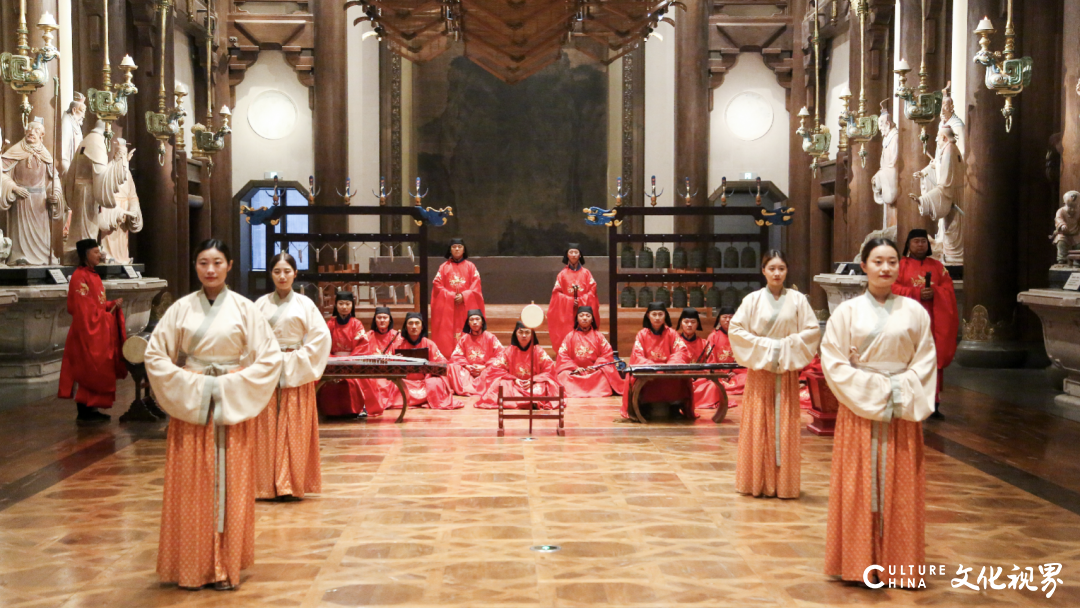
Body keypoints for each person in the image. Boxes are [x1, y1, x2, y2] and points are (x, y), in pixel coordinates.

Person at [144, 239, 283, 590]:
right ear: (195, 266)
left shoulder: (244, 309)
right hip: (193, 408)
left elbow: (269, 358)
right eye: (203, 262)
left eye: (217, 262)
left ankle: (224, 566)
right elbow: (155, 356)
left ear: (230, 265)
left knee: (231, 486)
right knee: (192, 486)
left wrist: (232, 384)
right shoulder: (180, 309)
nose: (210, 269)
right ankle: (191, 564)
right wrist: (190, 383)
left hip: (229, 408)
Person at [821, 237, 937, 584]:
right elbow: (834, 360)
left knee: (903, 485)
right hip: (861, 408)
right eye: (877, 262)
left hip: (901, 407)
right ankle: (858, 563)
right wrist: (872, 390)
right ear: (864, 266)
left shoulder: (914, 311)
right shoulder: (847, 311)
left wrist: (899, 388)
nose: (885, 268)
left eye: (891, 262)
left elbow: (926, 358)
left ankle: (900, 565)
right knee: (858, 483)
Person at [729, 251, 820, 499]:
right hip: (761, 370)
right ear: (763, 271)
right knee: (759, 422)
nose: (777, 273)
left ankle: (784, 484)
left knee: (785, 424)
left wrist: (786, 346)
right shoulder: (752, 300)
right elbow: (736, 329)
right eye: (772, 268)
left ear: (787, 270)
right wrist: (768, 347)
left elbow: (811, 330)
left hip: (786, 371)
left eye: (781, 268)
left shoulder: (798, 300)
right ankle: (755, 480)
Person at [253, 252, 331, 500]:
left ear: (295, 274)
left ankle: (289, 483)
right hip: (268, 369)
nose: (282, 276)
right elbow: (248, 338)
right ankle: (265, 484)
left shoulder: (305, 305)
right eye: (277, 271)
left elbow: (321, 337)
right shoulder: (260, 305)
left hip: (295, 369)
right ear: (271, 274)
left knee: (293, 427)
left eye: (287, 271)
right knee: (265, 428)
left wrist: (300, 358)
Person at [57, 239, 127, 424]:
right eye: (96, 251)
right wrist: (105, 315)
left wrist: (111, 305)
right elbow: (82, 310)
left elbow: (97, 305)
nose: (100, 254)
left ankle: (92, 408)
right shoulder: (80, 277)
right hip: (85, 332)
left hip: (94, 330)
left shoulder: (93, 276)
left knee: (97, 369)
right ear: (86, 254)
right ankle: (84, 412)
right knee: (87, 370)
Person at [891, 229, 958, 417]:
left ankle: (933, 403)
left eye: (923, 241)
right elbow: (892, 288)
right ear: (908, 244)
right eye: (916, 241)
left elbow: (948, 288)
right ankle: (906, 400)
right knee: (908, 360)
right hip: (908, 321)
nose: (920, 245)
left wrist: (935, 292)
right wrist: (916, 293)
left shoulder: (938, 267)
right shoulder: (899, 266)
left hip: (933, 321)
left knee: (932, 360)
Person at [1, 119, 64, 265]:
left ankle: (44, 257)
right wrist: (13, 187)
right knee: (21, 234)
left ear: (42, 135)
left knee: (42, 234)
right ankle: (19, 256)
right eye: (29, 129)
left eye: (36, 130)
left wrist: (54, 193)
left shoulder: (46, 155)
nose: (31, 132)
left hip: (40, 202)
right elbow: (2, 173)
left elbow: (53, 179)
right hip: (21, 200)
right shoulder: (15, 151)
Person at [620, 302, 693, 421]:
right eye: (654, 314)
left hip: (668, 370)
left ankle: (675, 407)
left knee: (682, 375)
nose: (657, 317)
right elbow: (637, 355)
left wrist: (669, 366)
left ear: (665, 315)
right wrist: (653, 367)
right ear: (648, 315)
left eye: (660, 314)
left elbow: (681, 351)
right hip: (649, 370)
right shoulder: (642, 335)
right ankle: (643, 407)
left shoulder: (672, 334)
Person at [378, 312, 462, 410]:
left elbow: (441, 362)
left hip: (424, 381)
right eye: (410, 323)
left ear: (422, 327)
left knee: (436, 382)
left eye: (417, 323)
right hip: (404, 381)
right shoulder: (397, 345)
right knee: (385, 382)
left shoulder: (429, 344)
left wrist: (427, 366)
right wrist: (395, 360)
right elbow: (386, 364)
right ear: (406, 327)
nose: (414, 326)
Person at [476, 322, 559, 409]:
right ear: (516, 334)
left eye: (527, 332)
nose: (524, 335)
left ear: (532, 335)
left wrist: (533, 380)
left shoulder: (538, 351)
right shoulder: (509, 351)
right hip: (514, 384)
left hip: (533, 384)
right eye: (521, 332)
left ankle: (524, 402)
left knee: (544, 384)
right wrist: (514, 379)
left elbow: (549, 370)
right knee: (502, 383)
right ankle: (529, 402)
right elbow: (497, 369)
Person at [912, 125, 964, 264]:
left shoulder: (949, 151)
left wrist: (924, 200)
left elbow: (945, 183)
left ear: (944, 137)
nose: (936, 139)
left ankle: (955, 258)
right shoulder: (947, 149)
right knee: (949, 228)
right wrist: (924, 173)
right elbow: (938, 167)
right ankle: (951, 256)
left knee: (952, 228)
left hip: (952, 195)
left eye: (938, 137)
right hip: (952, 192)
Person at [317, 291, 371, 417]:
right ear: (336, 305)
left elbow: (362, 345)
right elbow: (323, 344)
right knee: (328, 382)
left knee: (353, 381)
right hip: (332, 361)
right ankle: (329, 411)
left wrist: (349, 361)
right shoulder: (330, 324)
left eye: (347, 304)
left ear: (352, 305)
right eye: (341, 303)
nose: (344, 307)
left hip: (352, 361)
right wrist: (332, 360)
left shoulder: (356, 324)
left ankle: (354, 410)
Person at [430, 238, 485, 357]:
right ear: (450, 249)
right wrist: (451, 296)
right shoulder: (443, 267)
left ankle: (467, 356)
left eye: (459, 247)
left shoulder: (471, 267)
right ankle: (447, 356)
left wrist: (464, 296)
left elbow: (476, 286)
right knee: (447, 333)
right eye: (454, 246)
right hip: (448, 307)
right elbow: (437, 285)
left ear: (464, 249)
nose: (457, 249)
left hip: (465, 307)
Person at [554, 305, 625, 397]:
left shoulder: (599, 336)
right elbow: (563, 355)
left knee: (603, 375)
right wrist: (575, 368)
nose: (584, 318)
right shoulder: (570, 336)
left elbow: (606, 354)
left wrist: (595, 367)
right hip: (575, 372)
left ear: (592, 319)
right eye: (581, 315)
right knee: (563, 375)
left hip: (594, 372)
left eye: (588, 316)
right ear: (577, 319)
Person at [547, 244, 600, 351]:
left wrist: (581, 301)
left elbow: (592, 290)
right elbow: (556, 293)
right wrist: (570, 301)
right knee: (566, 332)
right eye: (571, 252)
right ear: (567, 255)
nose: (574, 255)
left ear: (580, 255)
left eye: (576, 252)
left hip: (583, 308)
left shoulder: (586, 273)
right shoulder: (562, 274)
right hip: (567, 310)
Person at [349, 307, 399, 418]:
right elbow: (359, 354)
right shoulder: (367, 336)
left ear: (389, 320)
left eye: (385, 317)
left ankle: (375, 407)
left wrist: (391, 358)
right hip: (371, 370)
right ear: (375, 320)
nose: (382, 320)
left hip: (390, 371)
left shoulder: (397, 336)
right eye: (379, 317)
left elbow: (402, 355)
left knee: (383, 383)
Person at [446, 309, 503, 396]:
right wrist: (467, 366)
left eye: (477, 319)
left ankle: (472, 388)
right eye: (471, 320)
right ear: (468, 323)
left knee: (498, 370)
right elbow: (456, 356)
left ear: (482, 322)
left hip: (485, 371)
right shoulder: (464, 339)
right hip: (467, 372)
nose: (475, 322)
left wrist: (484, 367)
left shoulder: (490, 337)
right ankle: (467, 388)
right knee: (452, 367)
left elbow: (501, 355)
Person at [674, 308, 723, 410]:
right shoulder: (674, 342)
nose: (689, 325)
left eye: (693, 322)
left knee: (713, 386)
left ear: (697, 324)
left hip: (700, 381)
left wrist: (700, 378)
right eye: (686, 322)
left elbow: (711, 365)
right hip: (680, 381)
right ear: (681, 323)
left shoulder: (704, 343)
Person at [707, 306, 747, 398]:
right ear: (719, 319)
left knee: (747, 379)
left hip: (736, 374)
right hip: (720, 374)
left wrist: (736, 372)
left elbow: (745, 357)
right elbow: (710, 359)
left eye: (731, 317)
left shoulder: (740, 336)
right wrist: (721, 373)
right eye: (724, 317)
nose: (727, 320)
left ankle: (725, 387)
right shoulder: (713, 336)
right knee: (711, 382)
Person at [1053, 191, 1079, 267]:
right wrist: (1062, 225)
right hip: (1064, 234)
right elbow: (1058, 219)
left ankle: (1077, 260)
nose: (1072, 210)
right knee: (1061, 243)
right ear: (1065, 204)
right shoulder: (1061, 211)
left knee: (1079, 245)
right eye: (1070, 207)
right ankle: (1062, 260)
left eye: (1075, 207)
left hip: (1076, 234)